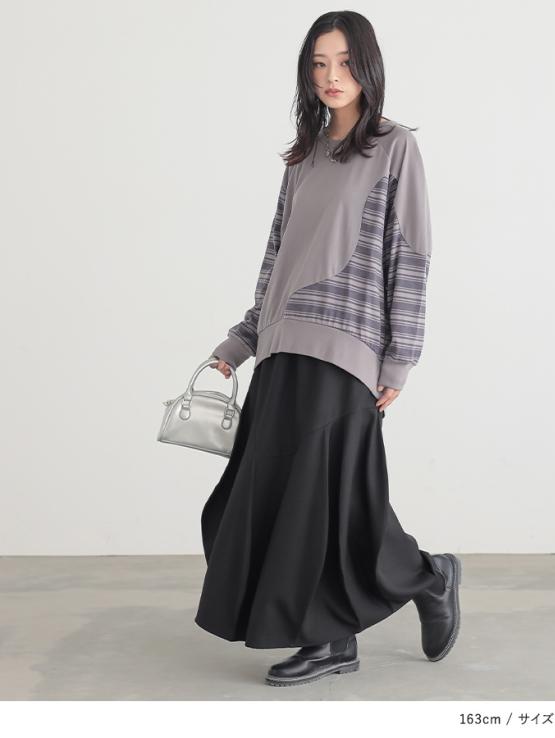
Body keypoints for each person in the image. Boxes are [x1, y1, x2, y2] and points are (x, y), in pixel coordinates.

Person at [194, 10, 461, 688]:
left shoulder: (395, 148)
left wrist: (400, 358)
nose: (330, 76)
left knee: (330, 501)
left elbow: (410, 256)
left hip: (349, 349)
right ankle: (393, 600)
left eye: (342, 62)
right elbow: (278, 257)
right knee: (284, 496)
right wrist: (242, 340)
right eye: (318, 63)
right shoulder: (305, 155)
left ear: (366, 66)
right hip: (283, 346)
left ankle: (386, 603)